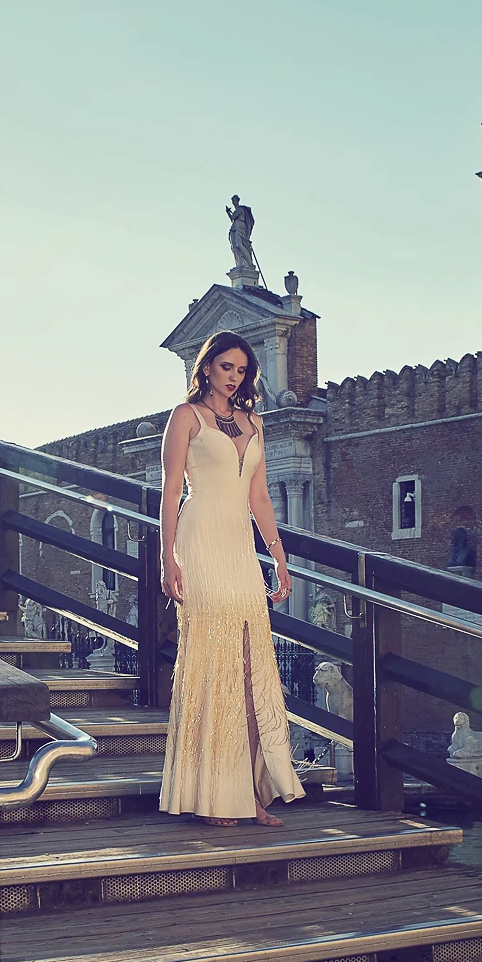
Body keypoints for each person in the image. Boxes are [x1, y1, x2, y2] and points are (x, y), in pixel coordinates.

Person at [158, 332, 306, 827]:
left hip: (241, 549)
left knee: (247, 667)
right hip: (199, 542)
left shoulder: (253, 422)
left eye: (241, 369)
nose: (233, 376)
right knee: (211, 661)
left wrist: (280, 560)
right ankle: (213, 794)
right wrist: (167, 559)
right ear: (206, 368)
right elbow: (171, 490)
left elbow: (260, 498)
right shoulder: (187, 418)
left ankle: (249, 792)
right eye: (225, 366)